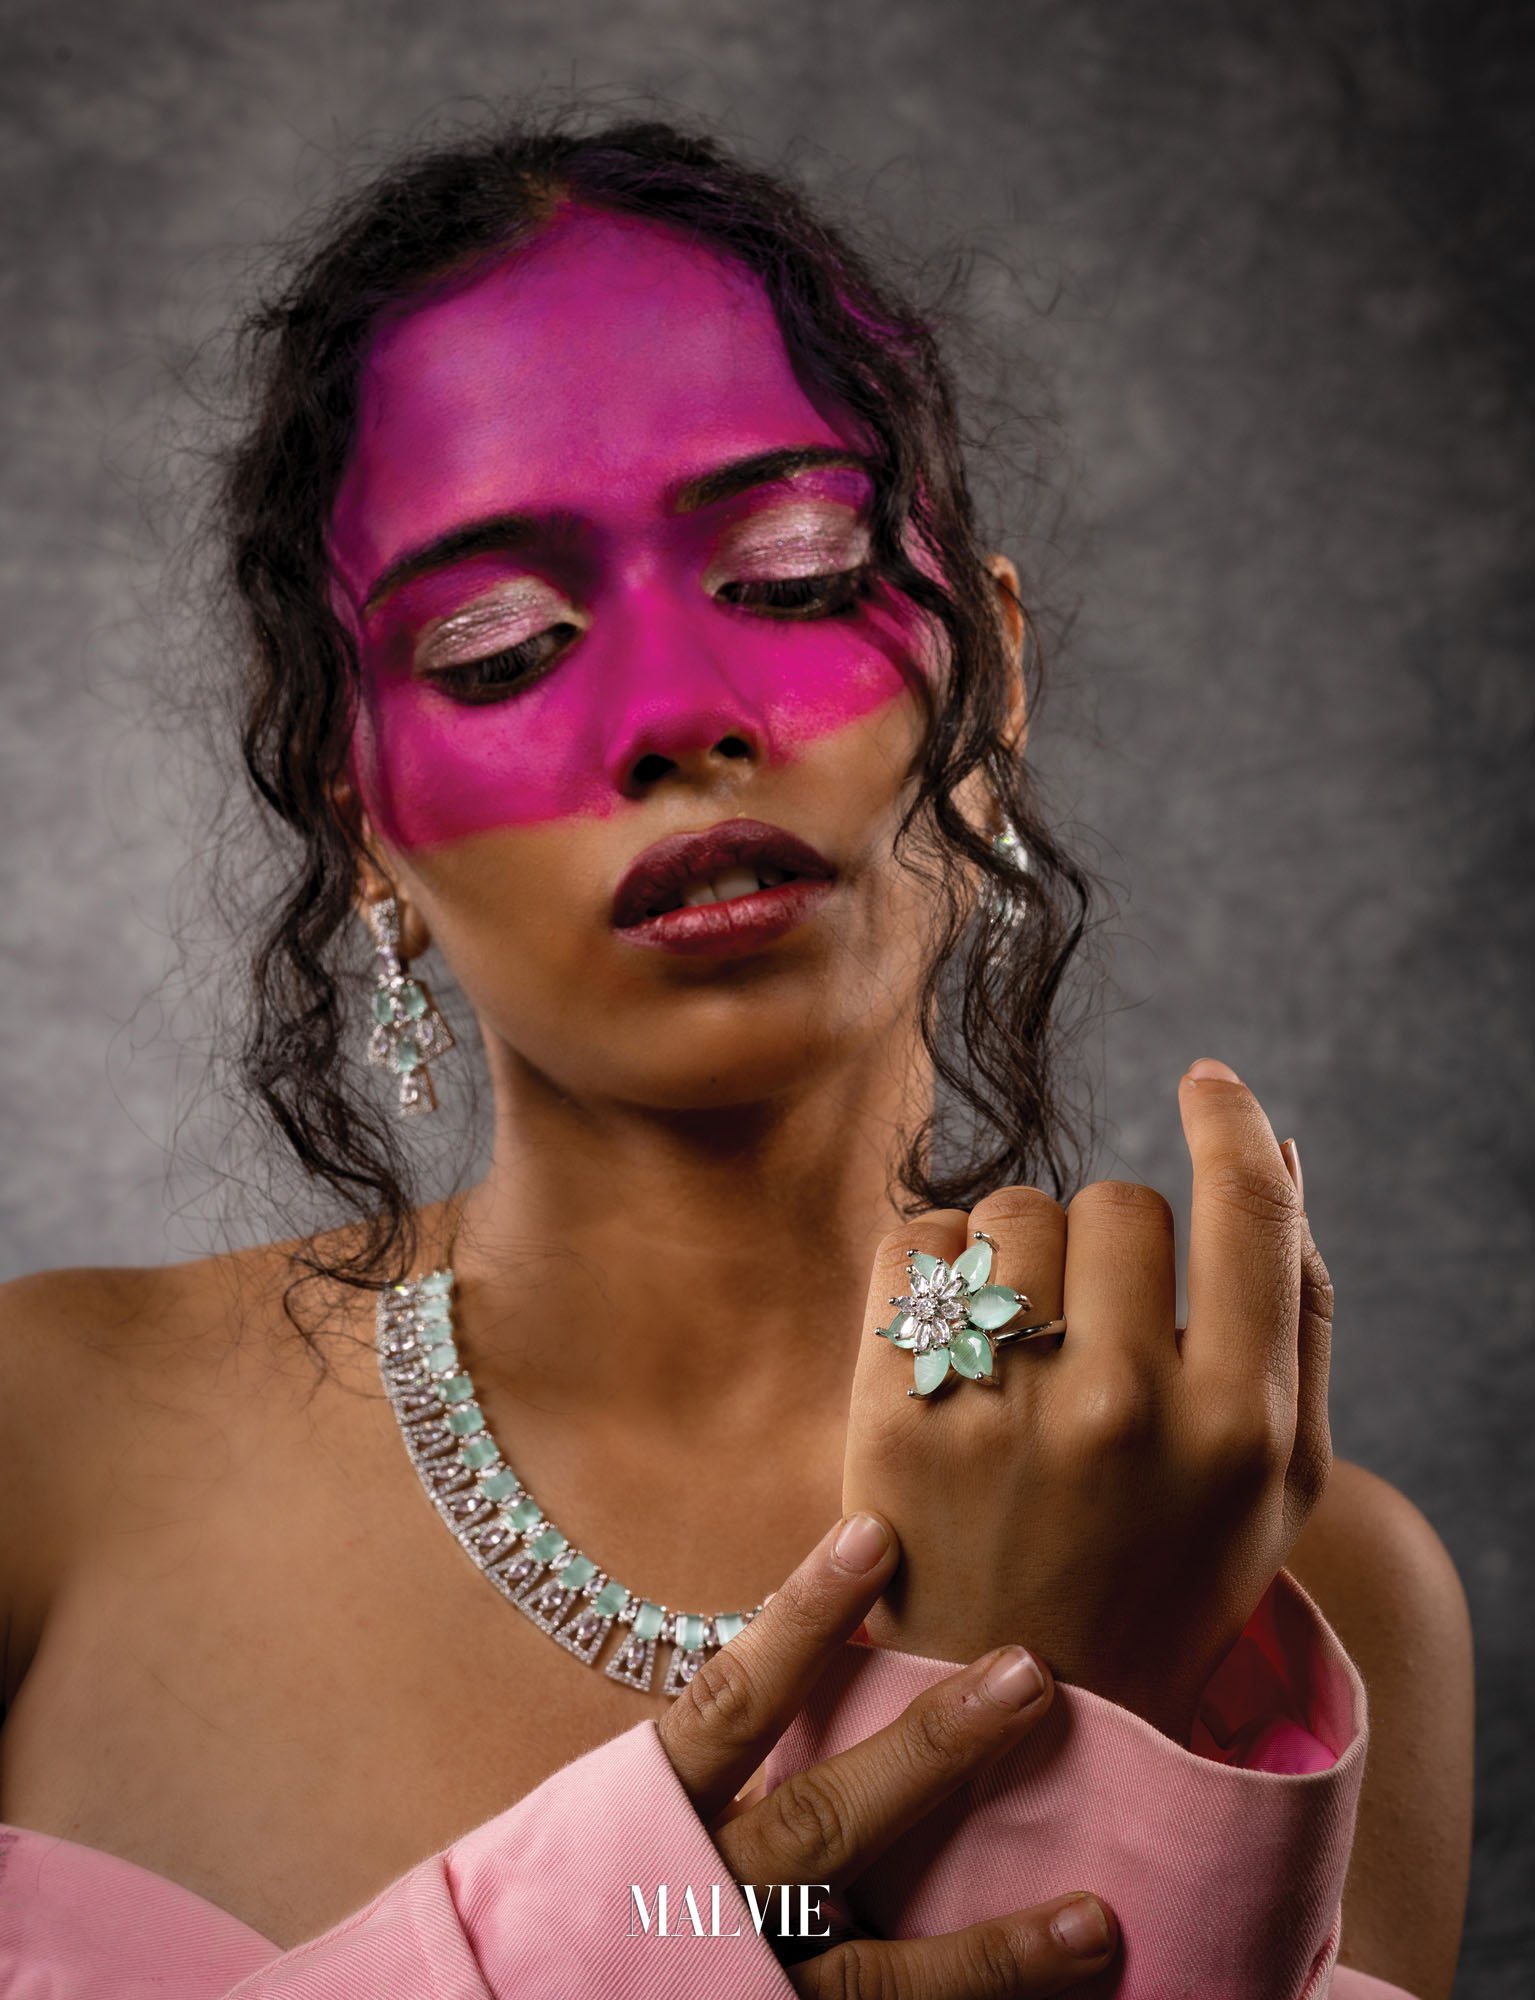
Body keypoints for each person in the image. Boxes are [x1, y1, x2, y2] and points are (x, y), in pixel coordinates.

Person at [0, 114, 1473, 1999]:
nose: (679, 716)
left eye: (792, 574)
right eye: (499, 648)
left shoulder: (1308, 1587)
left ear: (993, 673)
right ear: (361, 820)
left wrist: (1081, 1721)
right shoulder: (47, 1450)